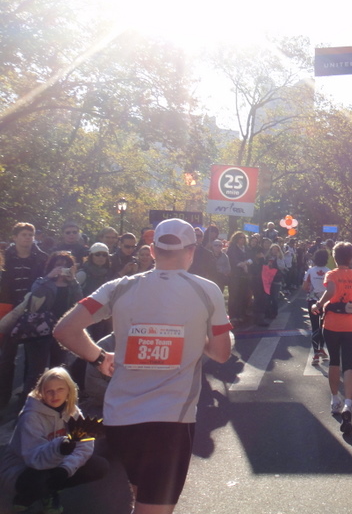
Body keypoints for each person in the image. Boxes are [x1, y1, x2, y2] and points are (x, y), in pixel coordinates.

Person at [53, 218, 232, 514]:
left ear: (152, 250)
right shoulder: (206, 290)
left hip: (121, 418)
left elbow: (65, 330)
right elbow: (222, 353)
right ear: (192, 251)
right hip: (170, 421)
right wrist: (195, 333)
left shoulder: (118, 288)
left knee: (141, 496)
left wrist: (99, 357)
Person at [0, 367, 109, 512]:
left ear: (69, 390)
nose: (55, 395)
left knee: (99, 466)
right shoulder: (31, 416)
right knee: (39, 481)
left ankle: (52, 490)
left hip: (56, 462)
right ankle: (28, 495)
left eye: (60, 389)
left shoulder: (72, 411)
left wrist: (66, 469)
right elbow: (33, 458)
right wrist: (59, 447)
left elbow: (85, 446)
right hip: (23, 468)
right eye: (49, 391)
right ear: (41, 392)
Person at [313, 242, 352, 435]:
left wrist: (319, 305)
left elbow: (330, 291)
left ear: (335, 258)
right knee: (349, 365)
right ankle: (348, 404)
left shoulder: (332, 274)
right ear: (351, 258)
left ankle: (335, 399)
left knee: (334, 361)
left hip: (332, 324)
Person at [12, 251, 82, 397]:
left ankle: (54, 401)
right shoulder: (42, 281)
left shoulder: (72, 284)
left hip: (62, 330)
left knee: (58, 370)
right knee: (35, 371)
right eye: (58, 265)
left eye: (65, 265)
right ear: (51, 266)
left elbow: (79, 301)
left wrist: (73, 279)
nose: (62, 268)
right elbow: (35, 294)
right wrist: (49, 277)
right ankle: (28, 403)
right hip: (39, 330)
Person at [0, 222, 48, 408]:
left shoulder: (41, 258)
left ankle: (25, 400)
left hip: (32, 311)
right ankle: (3, 399)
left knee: (31, 358)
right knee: (6, 357)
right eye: (23, 234)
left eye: (30, 234)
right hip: (9, 308)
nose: (27, 238)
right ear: (15, 237)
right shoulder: (4, 257)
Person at [302, 249, 330, 363]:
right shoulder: (329, 271)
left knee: (314, 327)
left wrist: (312, 290)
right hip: (326, 302)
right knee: (323, 327)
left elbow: (304, 286)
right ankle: (322, 348)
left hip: (312, 301)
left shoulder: (310, 271)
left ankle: (315, 354)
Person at [226, 231, 250, 325]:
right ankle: (233, 316)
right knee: (234, 295)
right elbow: (232, 259)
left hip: (245, 275)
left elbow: (250, 258)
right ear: (236, 238)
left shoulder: (246, 248)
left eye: (244, 237)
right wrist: (242, 264)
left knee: (243, 295)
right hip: (235, 274)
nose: (242, 239)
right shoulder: (232, 248)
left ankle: (241, 314)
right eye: (240, 237)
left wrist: (246, 263)